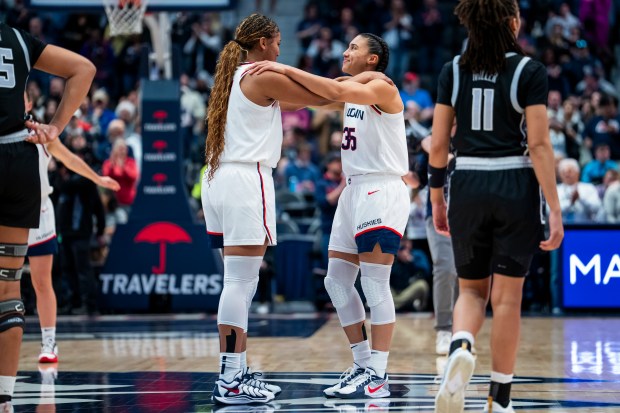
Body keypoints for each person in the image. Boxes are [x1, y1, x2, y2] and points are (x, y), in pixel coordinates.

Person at [249, 32, 409, 400]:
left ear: (373, 59)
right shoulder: (349, 88)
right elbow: (305, 99)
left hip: (381, 189)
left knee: (373, 284)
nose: (345, 50)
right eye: (346, 44)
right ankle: (362, 363)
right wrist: (255, 91)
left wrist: (278, 65)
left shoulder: (382, 87)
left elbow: (331, 93)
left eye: (354, 47)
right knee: (336, 282)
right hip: (353, 191)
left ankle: (379, 375)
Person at [428, 1, 563, 412]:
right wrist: (554, 208)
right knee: (506, 299)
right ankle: (499, 398)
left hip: (466, 180)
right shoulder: (529, 71)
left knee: (470, 290)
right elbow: (538, 145)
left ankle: (461, 346)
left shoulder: (452, 70)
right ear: (513, 22)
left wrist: (437, 195)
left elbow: (438, 144)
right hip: (514, 181)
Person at [201, 13, 332, 405]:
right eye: (276, 43)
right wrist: (284, 67)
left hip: (220, 178)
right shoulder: (261, 74)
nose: (278, 49)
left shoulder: (237, 77)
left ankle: (236, 371)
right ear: (261, 43)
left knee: (241, 281)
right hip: (245, 179)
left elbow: (305, 100)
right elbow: (323, 96)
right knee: (239, 283)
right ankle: (229, 379)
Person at [0, 22, 95, 413]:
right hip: (18, 163)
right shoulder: (18, 38)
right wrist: (57, 125)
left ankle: (49, 343)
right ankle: (5, 399)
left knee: (40, 283)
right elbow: (84, 68)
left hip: (38, 198)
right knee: (10, 289)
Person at [24, 93, 119, 365]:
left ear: (30, 103)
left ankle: (49, 342)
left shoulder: (43, 134)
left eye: (22, 97)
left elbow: (70, 160)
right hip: (10, 214)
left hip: (40, 211)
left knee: (42, 281)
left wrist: (98, 177)